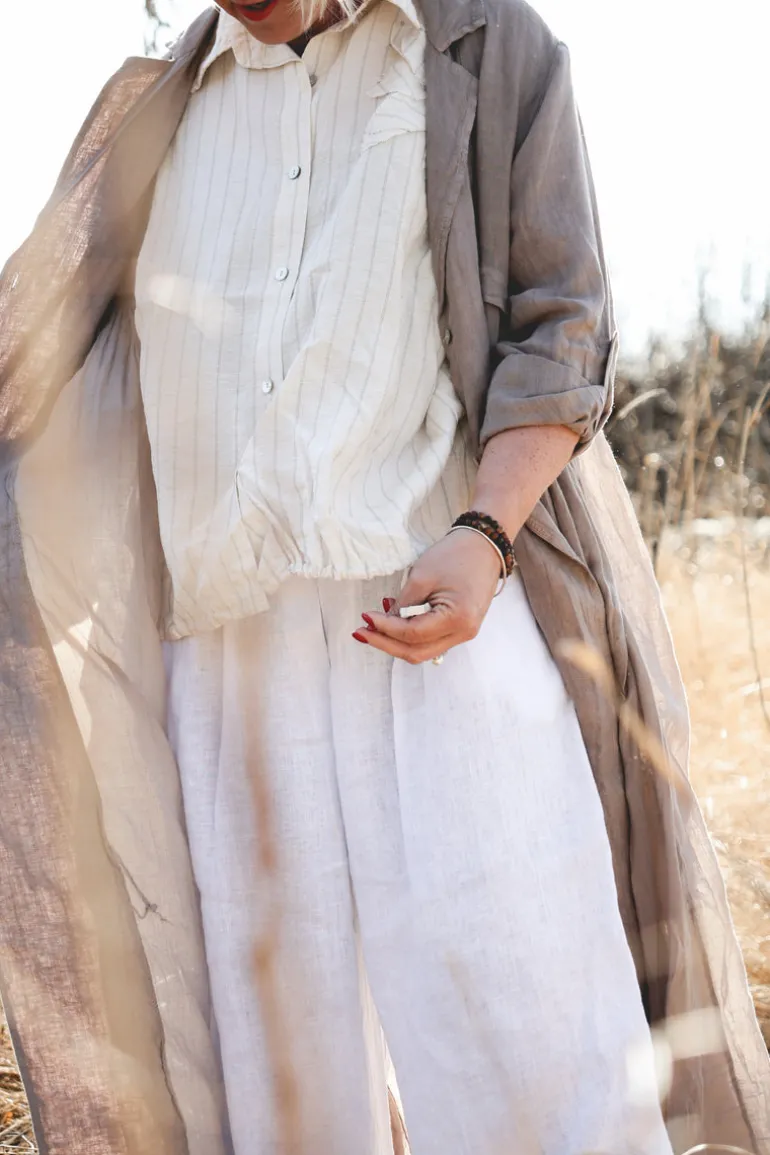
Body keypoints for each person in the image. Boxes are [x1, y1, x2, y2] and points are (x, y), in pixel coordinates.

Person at [0, 0, 768, 1153]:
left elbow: (561, 324)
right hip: (224, 660)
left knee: (531, 1041)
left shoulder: (479, 45)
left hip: (445, 607)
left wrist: (486, 531)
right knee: (283, 1098)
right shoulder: (156, 111)